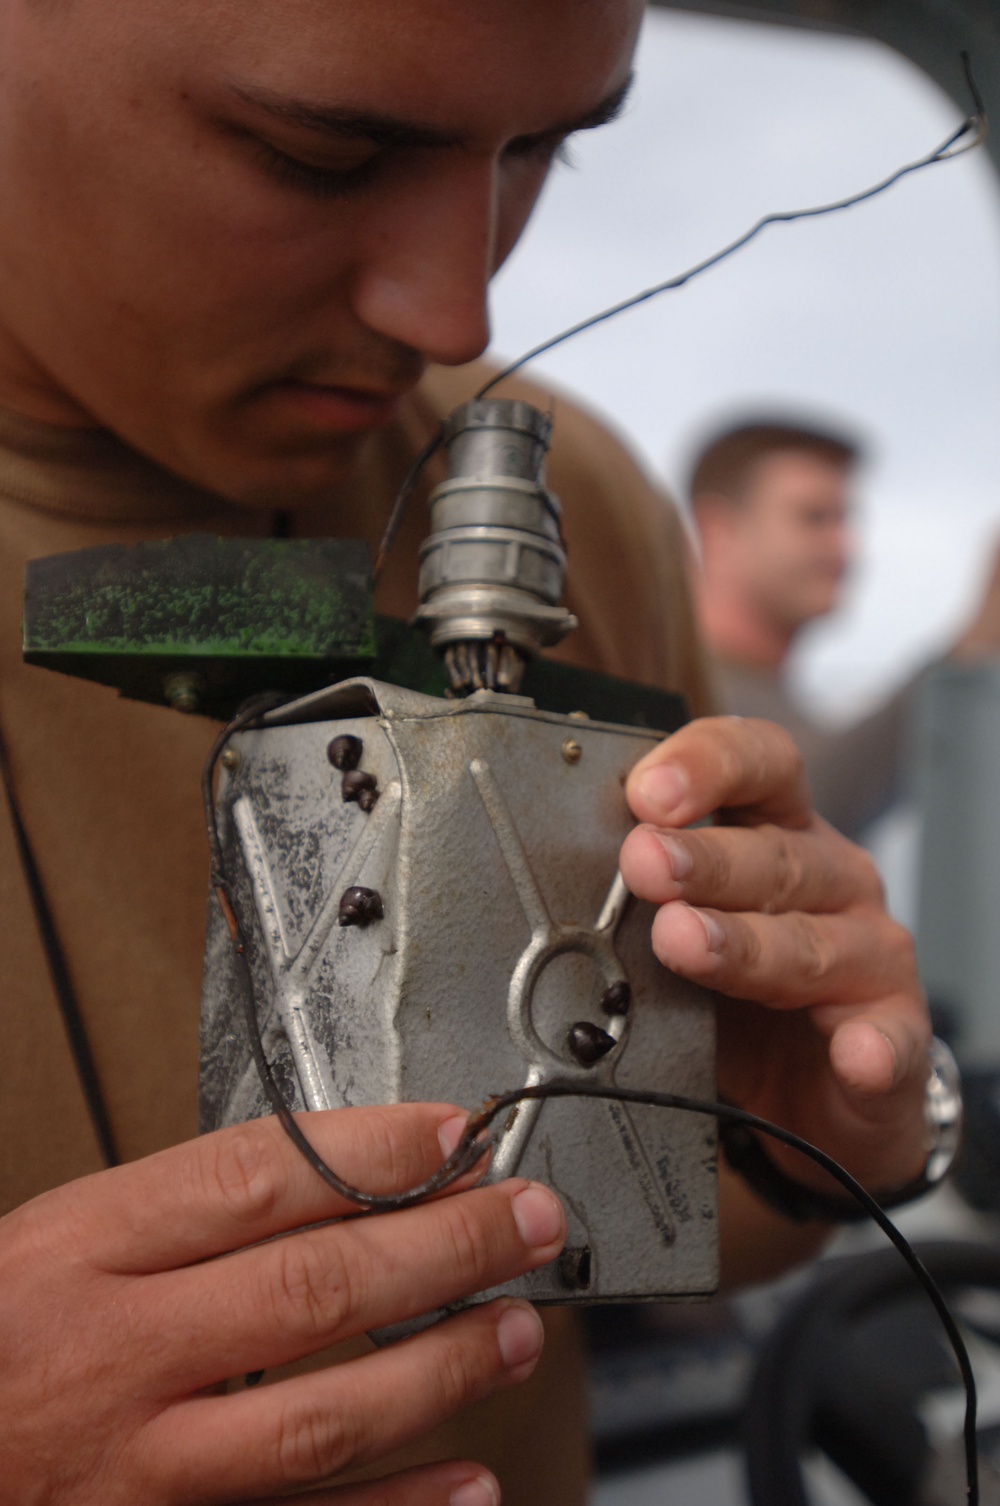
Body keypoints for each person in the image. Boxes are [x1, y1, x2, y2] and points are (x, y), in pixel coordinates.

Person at [0, 2, 934, 1503]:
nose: (455, 312)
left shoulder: (583, 505)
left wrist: (803, 1128)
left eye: (544, 151)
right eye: (322, 153)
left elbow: (668, 1216)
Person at [688, 419, 1000, 838]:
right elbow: (810, 802)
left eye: (845, 520)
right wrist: (975, 641)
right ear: (719, 532)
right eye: (814, 518)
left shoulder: (768, 701)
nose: (844, 548)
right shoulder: (685, 697)